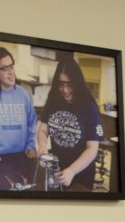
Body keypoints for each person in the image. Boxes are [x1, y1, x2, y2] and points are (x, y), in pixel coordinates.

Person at [37, 54, 103, 189]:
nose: (65, 90)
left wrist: (72, 170)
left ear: (77, 84)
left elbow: (92, 149)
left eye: (69, 85)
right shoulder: (54, 100)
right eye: (61, 84)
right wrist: (42, 144)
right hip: (55, 171)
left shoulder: (88, 106)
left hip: (80, 175)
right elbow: (43, 129)